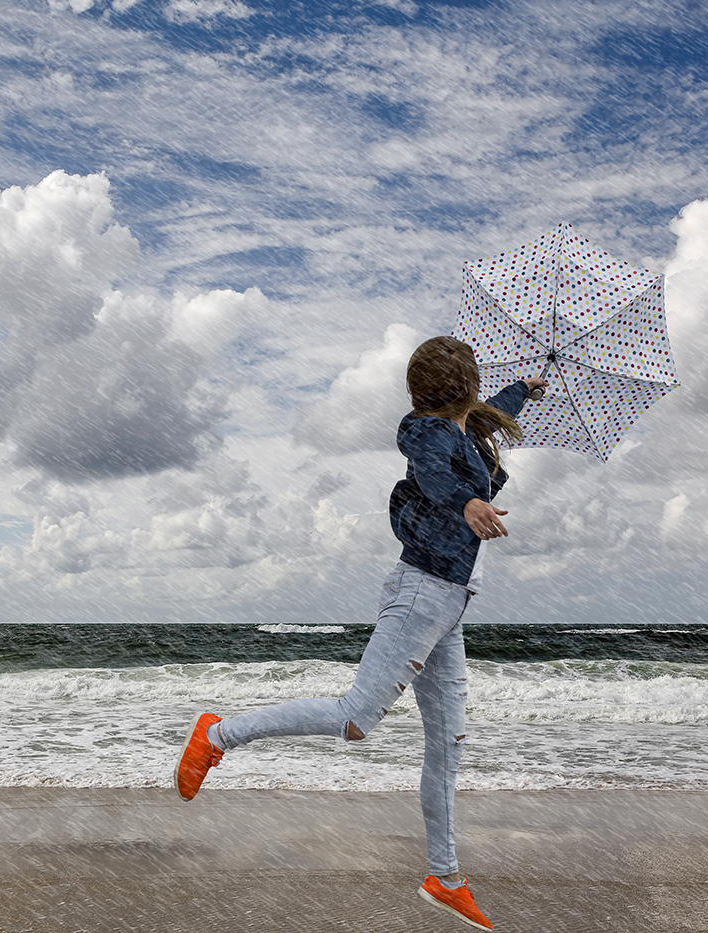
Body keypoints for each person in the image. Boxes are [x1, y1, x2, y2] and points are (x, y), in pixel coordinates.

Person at [172, 335, 547, 932]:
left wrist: (522, 392)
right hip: (422, 592)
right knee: (355, 719)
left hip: (449, 604)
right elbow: (431, 478)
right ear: (458, 390)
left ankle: (445, 878)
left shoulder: (465, 428)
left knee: (448, 745)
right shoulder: (430, 433)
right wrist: (470, 501)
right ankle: (219, 734)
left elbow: (482, 416)